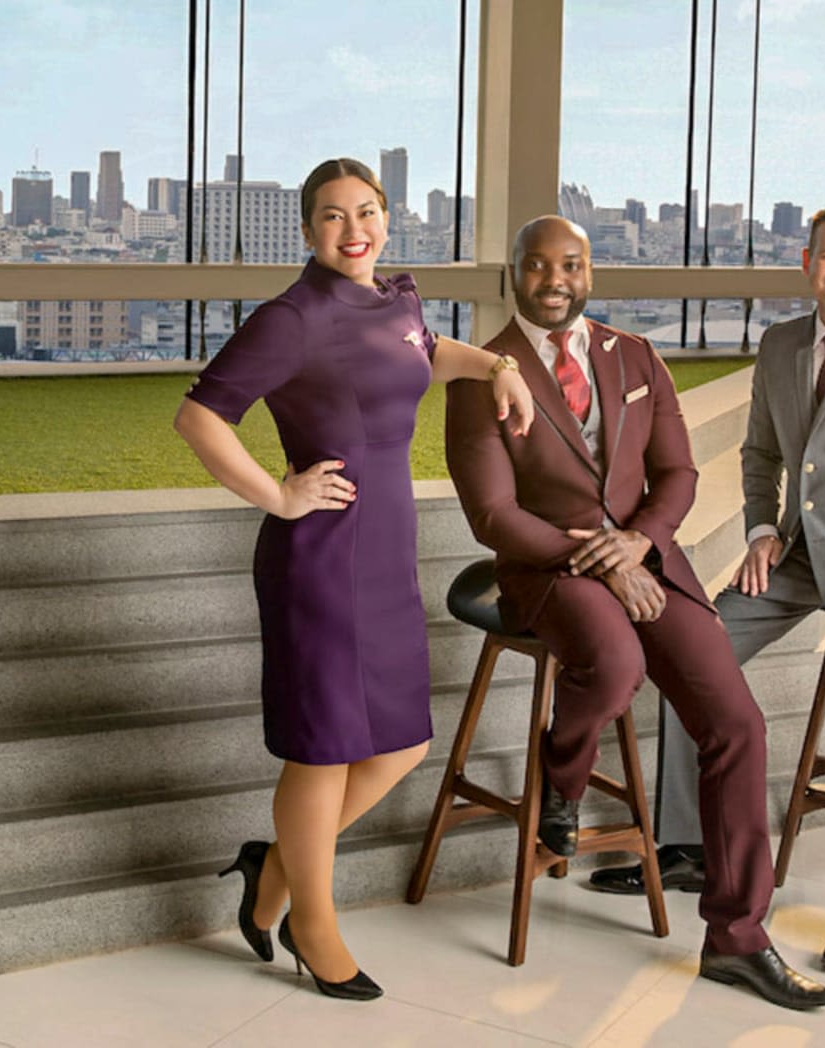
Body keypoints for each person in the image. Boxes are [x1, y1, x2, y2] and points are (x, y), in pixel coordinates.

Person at [445, 214, 825, 1011]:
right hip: (548, 570)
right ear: (511, 274)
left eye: (573, 265)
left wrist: (638, 545)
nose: (556, 279)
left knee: (738, 723)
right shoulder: (481, 374)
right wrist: (594, 556)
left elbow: (680, 474)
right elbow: (490, 514)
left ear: (591, 273)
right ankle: (562, 772)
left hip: (648, 560)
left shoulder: (636, 356)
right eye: (538, 265)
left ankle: (737, 940)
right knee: (616, 664)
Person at [175, 157, 533, 1000]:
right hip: (321, 561)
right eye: (333, 217)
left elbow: (424, 354)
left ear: (386, 216)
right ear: (307, 230)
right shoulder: (291, 318)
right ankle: (313, 921)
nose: (354, 230)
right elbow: (199, 415)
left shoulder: (395, 303)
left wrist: (497, 368)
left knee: (403, 741)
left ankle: (272, 876)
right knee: (325, 749)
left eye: (367, 212)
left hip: (387, 555)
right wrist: (277, 495)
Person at [589, 204, 825, 975]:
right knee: (696, 651)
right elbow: (761, 454)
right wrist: (762, 531)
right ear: (805, 261)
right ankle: (689, 846)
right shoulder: (782, 344)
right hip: (795, 557)